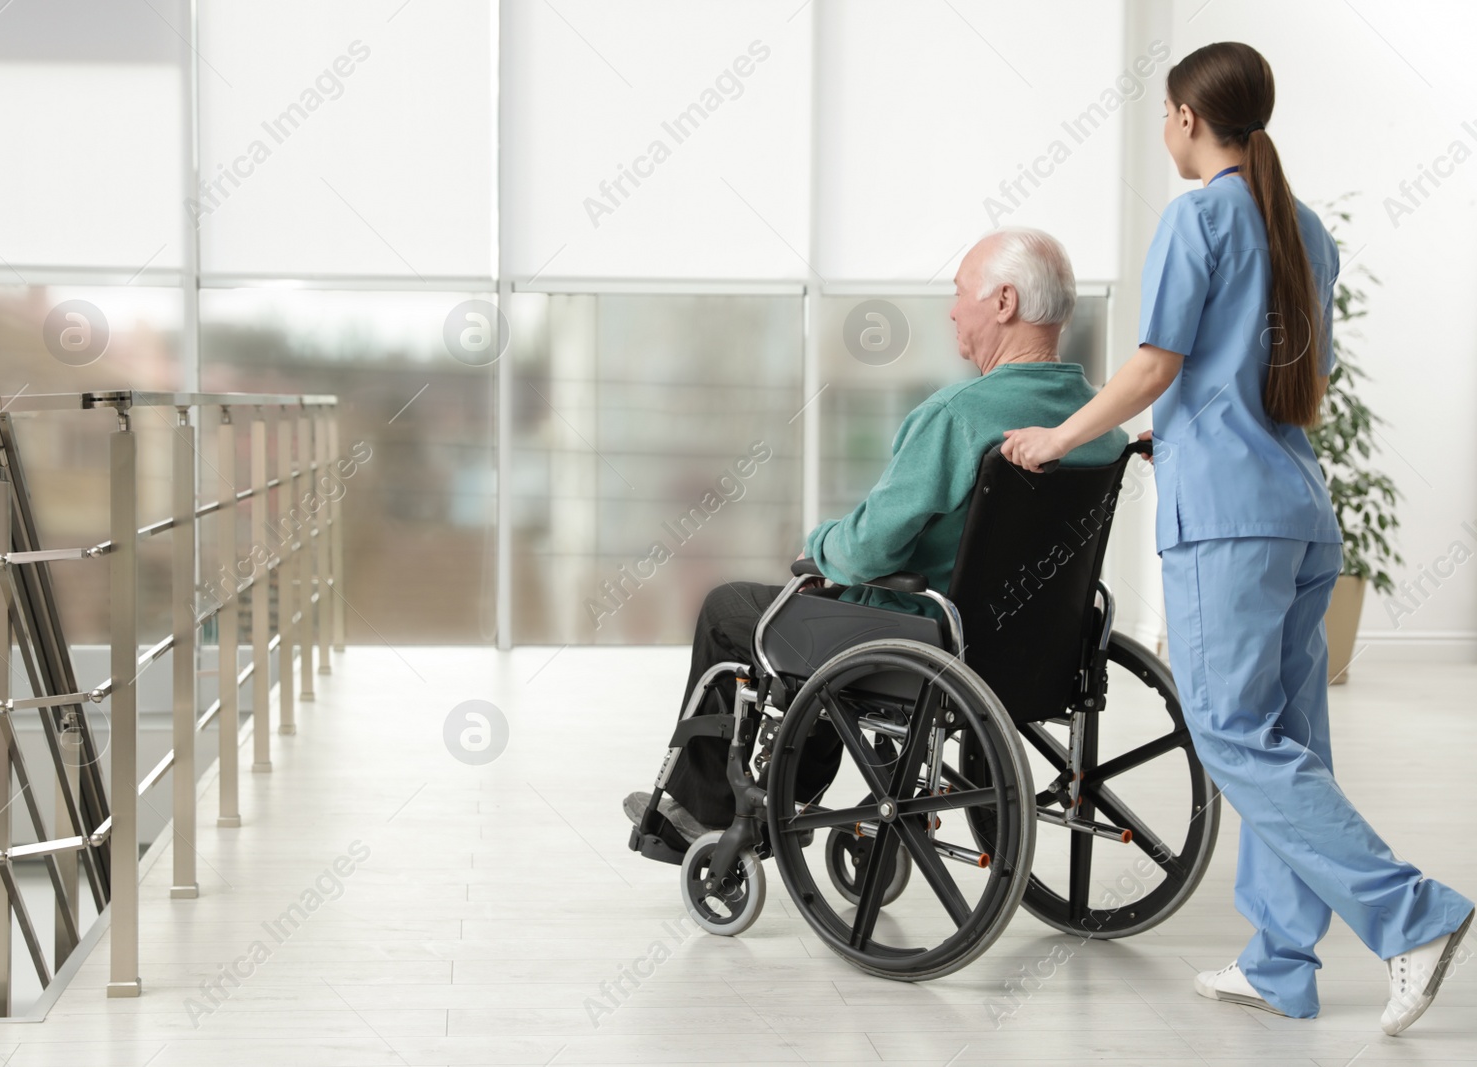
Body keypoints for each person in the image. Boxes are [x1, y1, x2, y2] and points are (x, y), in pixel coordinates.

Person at [1001, 42, 1472, 1036]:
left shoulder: (1198, 216)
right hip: (1298, 509)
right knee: (1288, 740)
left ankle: (1411, 913)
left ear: (1183, 119)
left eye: (1166, 117)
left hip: (1228, 520)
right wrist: (1172, 427)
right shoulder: (1300, 225)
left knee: (1229, 730)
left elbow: (1153, 361)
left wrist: (1063, 433)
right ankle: (1279, 962)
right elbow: (1297, 376)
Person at [624, 227, 1126, 842]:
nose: (951, 308)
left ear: (1004, 303)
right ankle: (795, 794)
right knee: (834, 611)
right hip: (1036, 650)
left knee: (735, 607)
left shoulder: (958, 416)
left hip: (931, 642)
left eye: (960, 291)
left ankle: (700, 814)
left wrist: (820, 547)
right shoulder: (1097, 426)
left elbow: (866, 551)